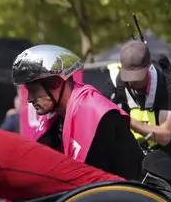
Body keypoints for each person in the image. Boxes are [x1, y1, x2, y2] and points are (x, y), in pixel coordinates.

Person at [12, 44, 145, 181]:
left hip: (130, 194)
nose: (29, 99)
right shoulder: (56, 117)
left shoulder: (97, 115)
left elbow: (101, 182)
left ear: (56, 83)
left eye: (34, 90)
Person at [105, 40, 171, 170]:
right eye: (129, 76)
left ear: (149, 65)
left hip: (168, 159)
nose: (133, 82)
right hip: (132, 159)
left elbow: (165, 136)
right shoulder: (114, 82)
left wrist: (127, 120)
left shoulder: (168, 84)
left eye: (138, 77)